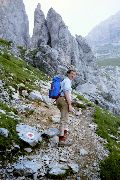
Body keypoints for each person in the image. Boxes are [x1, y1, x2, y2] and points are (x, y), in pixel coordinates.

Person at [56, 68, 76, 146]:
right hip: (64, 100)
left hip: (59, 100)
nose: (73, 76)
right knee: (64, 119)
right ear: (68, 74)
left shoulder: (65, 80)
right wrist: (70, 105)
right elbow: (66, 92)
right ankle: (61, 140)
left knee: (65, 117)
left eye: (74, 74)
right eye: (72, 74)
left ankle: (64, 135)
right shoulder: (67, 81)